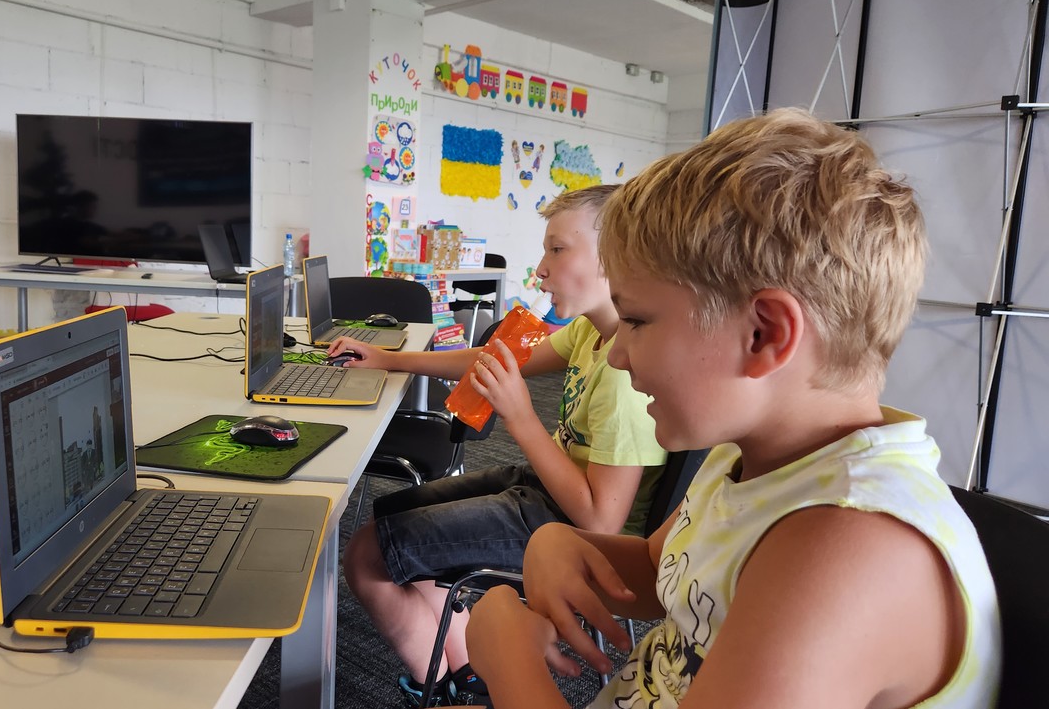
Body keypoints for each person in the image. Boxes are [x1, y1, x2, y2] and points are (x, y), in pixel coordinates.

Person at [464, 108, 1001, 709]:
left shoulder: (852, 550)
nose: (616, 354)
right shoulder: (749, 455)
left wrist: (508, 659)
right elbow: (661, 568)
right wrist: (563, 543)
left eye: (636, 320)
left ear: (765, 334)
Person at [330, 184, 667, 707]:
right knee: (389, 518)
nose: (540, 270)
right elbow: (492, 360)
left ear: (616, 258)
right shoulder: (591, 332)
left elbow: (601, 523)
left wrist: (521, 416)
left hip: (576, 533)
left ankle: (448, 693)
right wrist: (389, 359)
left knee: (365, 556)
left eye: (558, 250)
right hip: (545, 493)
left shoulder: (624, 380)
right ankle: (468, 673)